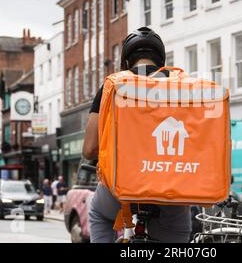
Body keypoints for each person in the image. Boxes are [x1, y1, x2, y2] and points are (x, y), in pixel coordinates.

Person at [82, 27, 192, 243]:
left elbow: (89, 149)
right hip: (170, 187)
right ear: (161, 60)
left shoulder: (112, 86)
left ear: (125, 61)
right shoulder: (182, 86)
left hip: (121, 188)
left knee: (99, 214)